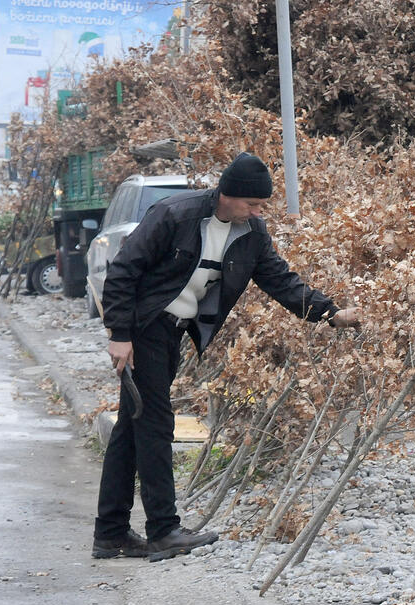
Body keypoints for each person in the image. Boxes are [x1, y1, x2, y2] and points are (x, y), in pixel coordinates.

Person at [92, 153, 358, 562]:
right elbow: (123, 270)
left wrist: (331, 314)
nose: (257, 212)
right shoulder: (174, 215)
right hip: (145, 327)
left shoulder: (251, 231)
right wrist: (120, 335)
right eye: (252, 204)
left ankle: (111, 534)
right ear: (228, 195)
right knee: (156, 424)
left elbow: (279, 279)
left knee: (132, 427)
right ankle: (163, 530)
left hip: (173, 333)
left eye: (260, 207)